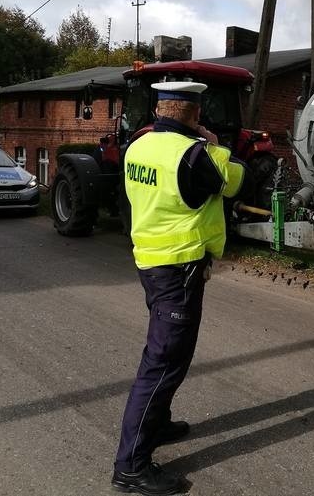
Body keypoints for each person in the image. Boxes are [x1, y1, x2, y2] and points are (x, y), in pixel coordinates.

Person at [112, 81, 251, 495]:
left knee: (168, 352)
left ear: (159, 109)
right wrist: (216, 143)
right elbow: (235, 181)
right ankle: (131, 467)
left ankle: (159, 423)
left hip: (150, 260)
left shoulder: (137, 147)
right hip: (179, 269)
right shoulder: (195, 155)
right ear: (194, 113)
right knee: (164, 361)